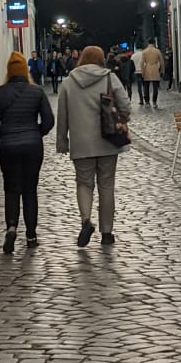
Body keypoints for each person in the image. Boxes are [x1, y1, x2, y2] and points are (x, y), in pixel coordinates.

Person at [56, 43, 132, 247]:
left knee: (83, 183)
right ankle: (107, 232)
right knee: (106, 185)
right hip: (108, 141)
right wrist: (121, 118)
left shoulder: (68, 82)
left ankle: (86, 220)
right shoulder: (110, 77)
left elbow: (62, 115)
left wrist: (62, 141)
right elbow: (125, 106)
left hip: (81, 143)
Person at [0, 51, 55, 253]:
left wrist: (2, 134)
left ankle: (12, 227)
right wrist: (36, 133)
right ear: (26, 70)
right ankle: (31, 236)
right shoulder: (37, 92)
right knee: (30, 190)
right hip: (32, 146)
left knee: (11, 188)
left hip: (8, 146)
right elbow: (49, 121)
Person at [137, 38, 164, 107]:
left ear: (148, 43)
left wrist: (142, 72)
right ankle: (154, 102)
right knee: (155, 87)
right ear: (154, 43)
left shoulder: (145, 51)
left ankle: (147, 102)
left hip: (147, 69)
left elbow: (142, 62)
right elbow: (161, 62)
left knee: (146, 87)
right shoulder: (157, 51)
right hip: (155, 68)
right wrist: (162, 71)